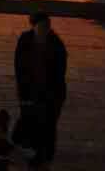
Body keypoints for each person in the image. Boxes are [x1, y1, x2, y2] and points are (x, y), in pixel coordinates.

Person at [14, 11, 67, 169]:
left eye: (47, 25)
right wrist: (23, 92)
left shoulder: (56, 43)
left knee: (48, 126)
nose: (45, 28)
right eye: (42, 26)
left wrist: (50, 94)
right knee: (30, 122)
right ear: (34, 26)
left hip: (51, 94)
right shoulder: (25, 39)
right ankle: (31, 155)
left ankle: (45, 158)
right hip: (30, 91)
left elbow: (59, 72)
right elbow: (19, 67)